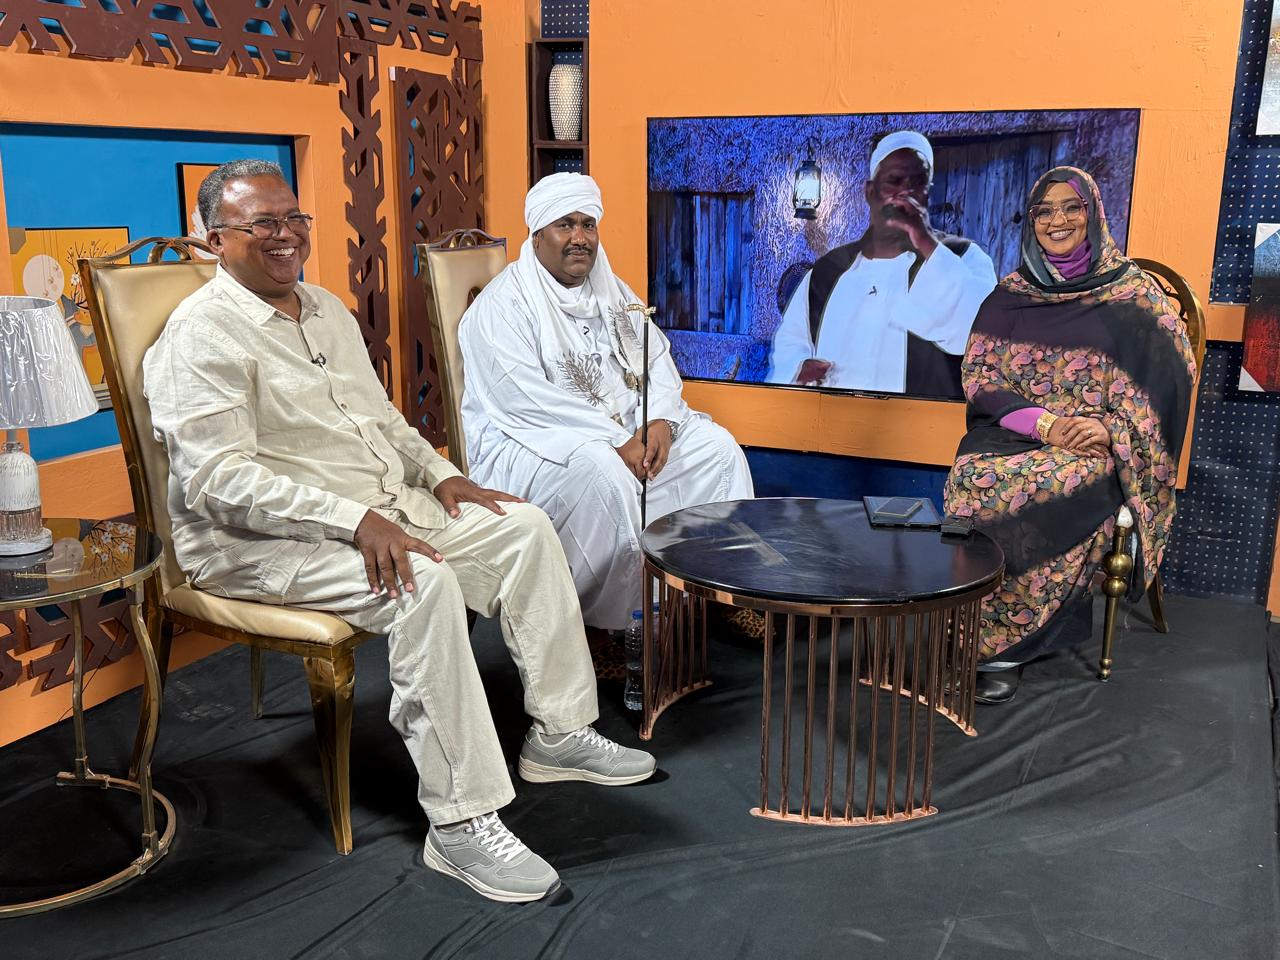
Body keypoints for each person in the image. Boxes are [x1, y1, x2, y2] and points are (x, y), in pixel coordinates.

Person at [143, 159, 656, 904]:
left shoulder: (324, 308)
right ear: (215, 240)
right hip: (255, 544)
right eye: (262, 224)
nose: (285, 235)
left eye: (294, 219)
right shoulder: (200, 336)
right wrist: (355, 521)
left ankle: (559, 734)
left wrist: (440, 474)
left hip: (375, 505)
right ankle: (461, 821)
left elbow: (381, 420)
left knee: (523, 527)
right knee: (423, 584)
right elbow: (216, 481)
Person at [458, 173, 754, 632]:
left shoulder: (610, 290)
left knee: (717, 451)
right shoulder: (501, 308)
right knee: (604, 475)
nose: (580, 238)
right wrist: (617, 440)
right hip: (530, 444)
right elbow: (525, 401)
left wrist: (660, 420)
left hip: (626, 437)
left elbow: (655, 359)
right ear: (537, 235)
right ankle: (608, 627)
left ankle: (716, 594)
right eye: (565, 225)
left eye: (588, 224)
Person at [943, 166, 1196, 703]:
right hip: (1025, 430)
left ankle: (1007, 649)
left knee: (1046, 485)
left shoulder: (1133, 295)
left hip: (1099, 443)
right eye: (1044, 210)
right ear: (1031, 221)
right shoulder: (1010, 296)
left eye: (1071, 207)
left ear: (1093, 213)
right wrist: (1046, 423)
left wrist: (1109, 426)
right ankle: (968, 628)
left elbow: (1172, 378)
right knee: (975, 477)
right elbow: (981, 378)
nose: (1057, 220)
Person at [767, 130, 997, 396]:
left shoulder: (964, 257)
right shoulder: (827, 272)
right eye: (894, 181)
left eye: (917, 183)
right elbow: (790, 345)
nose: (904, 194)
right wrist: (798, 368)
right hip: (835, 419)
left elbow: (979, 336)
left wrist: (923, 240)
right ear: (870, 192)